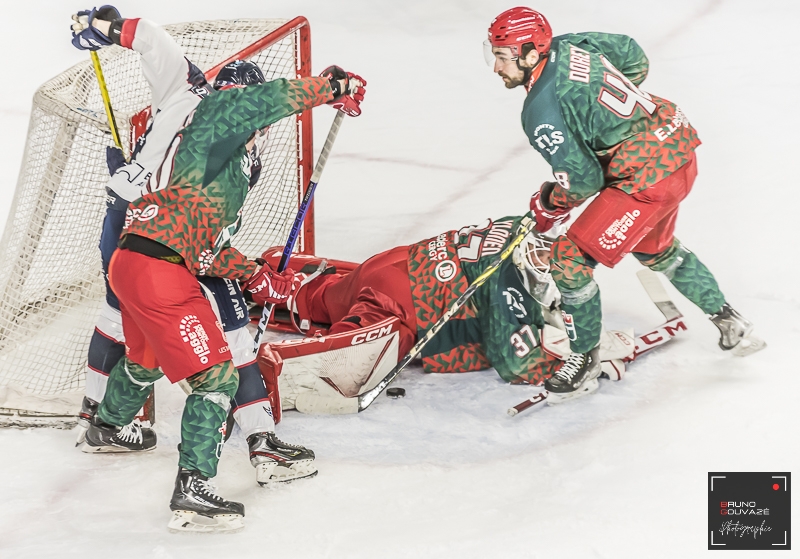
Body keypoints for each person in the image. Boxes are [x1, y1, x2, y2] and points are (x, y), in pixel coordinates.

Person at [71, 6, 366, 532]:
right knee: (215, 377)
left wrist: (254, 274)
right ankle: (194, 488)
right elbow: (270, 100)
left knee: (145, 357)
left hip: (133, 259)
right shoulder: (222, 111)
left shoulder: (217, 160)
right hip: (163, 272)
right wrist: (330, 86)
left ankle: (109, 426)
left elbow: (207, 247)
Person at [482, 7, 765, 399]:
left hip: (647, 179)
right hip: (677, 147)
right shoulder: (573, 44)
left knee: (568, 260)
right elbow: (633, 55)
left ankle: (583, 360)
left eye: (502, 55)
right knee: (656, 248)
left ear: (531, 53)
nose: (495, 66)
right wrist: (609, 118)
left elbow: (583, 180)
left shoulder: (541, 111)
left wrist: (550, 202)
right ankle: (729, 320)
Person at [259, 215, 636, 413]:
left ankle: (272, 278)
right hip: (402, 307)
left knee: (321, 298)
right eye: (544, 255)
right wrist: (585, 360)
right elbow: (515, 363)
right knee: (349, 363)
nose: (546, 263)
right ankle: (265, 375)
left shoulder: (522, 224)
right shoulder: (507, 290)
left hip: (391, 263)